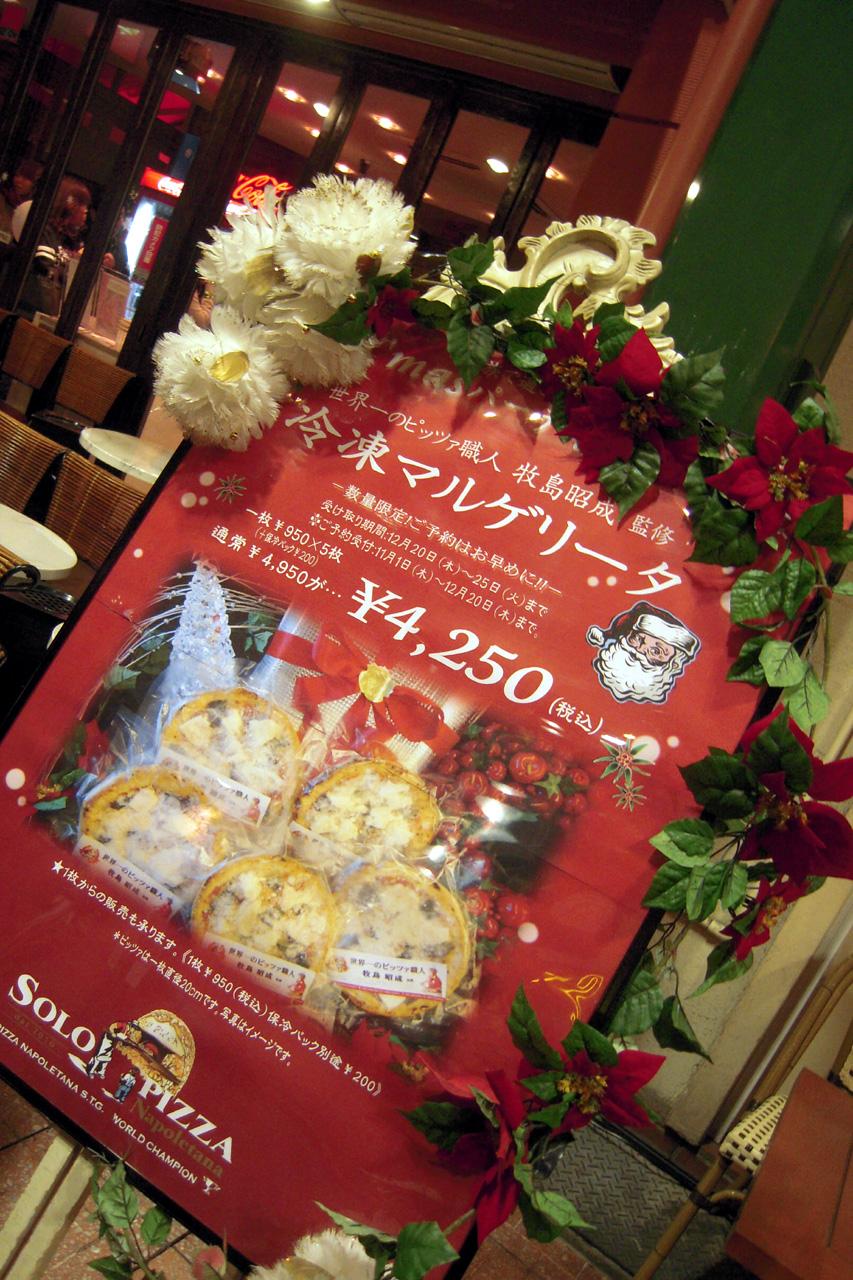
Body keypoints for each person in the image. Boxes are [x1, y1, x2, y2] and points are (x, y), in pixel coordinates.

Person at [11, 175, 92, 318]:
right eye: (81, 204)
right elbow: (45, 270)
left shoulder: (60, 237)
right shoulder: (44, 232)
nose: (85, 211)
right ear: (68, 204)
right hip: (26, 313)